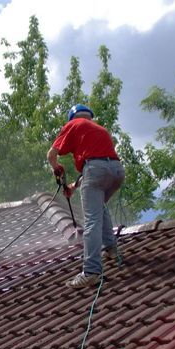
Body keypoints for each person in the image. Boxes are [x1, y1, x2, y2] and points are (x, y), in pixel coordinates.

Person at [47, 104, 125, 288]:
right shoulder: (100, 130)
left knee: (92, 221)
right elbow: (101, 164)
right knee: (99, 208)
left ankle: (91, 271)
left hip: (96, 171)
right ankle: (111, 248)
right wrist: (73, 186)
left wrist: (56, 168)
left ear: (72, 118)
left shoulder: (74, 125)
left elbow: (51, 155)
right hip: (117, 171)